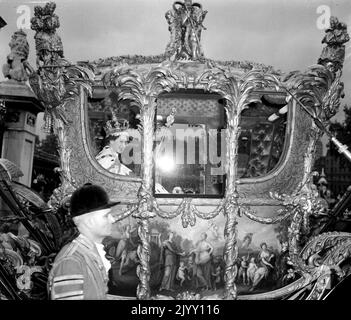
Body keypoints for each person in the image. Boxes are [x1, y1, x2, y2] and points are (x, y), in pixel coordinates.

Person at [48, 183, 119, 300]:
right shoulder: (71, 261)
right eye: (106, 216)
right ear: (89, 221)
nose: (112, 219)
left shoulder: (89, 252)